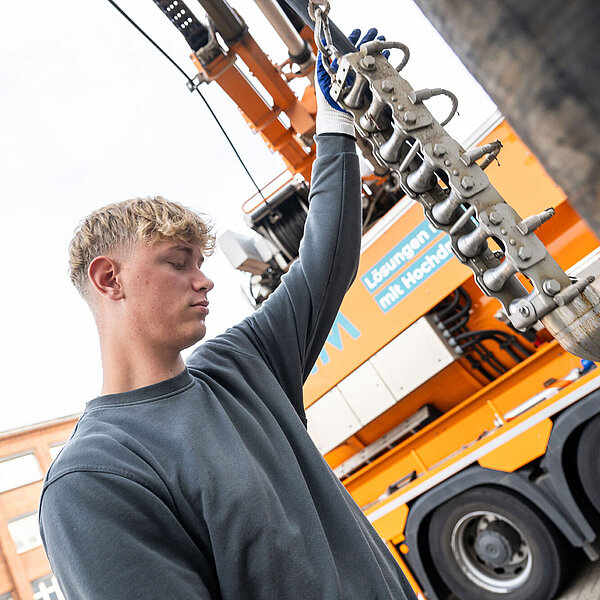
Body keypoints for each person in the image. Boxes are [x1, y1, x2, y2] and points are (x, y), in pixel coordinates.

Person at [39, 28, 417, 600]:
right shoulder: (94, 478)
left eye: (201, 261)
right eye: (177, 263)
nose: (205, 278)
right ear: (108, 278)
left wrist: (337, 126)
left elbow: (324, 266)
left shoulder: (241, 367)